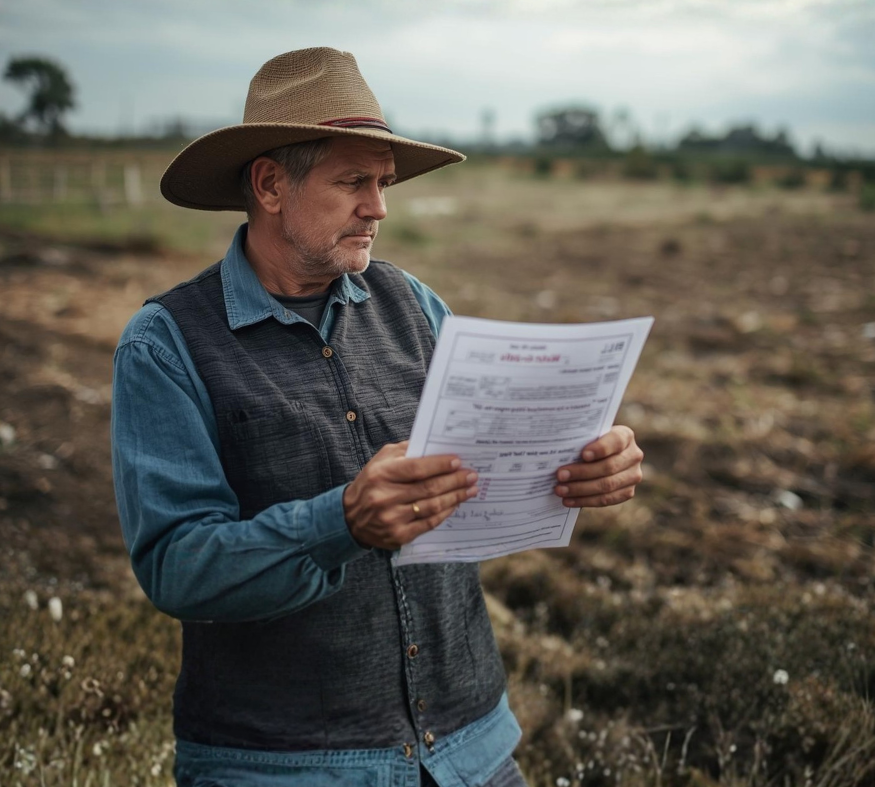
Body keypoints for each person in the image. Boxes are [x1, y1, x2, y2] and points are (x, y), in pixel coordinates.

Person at [111, 47, 644, 787]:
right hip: (280, 768)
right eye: (352, 181)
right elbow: (175, 567)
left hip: (471, 753)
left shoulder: (417, 306)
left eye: (385, 183)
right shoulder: (166, 344)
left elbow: (482, 467)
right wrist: (340, 523)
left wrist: (579, 464)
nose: (379, 207)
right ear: (269, 183)